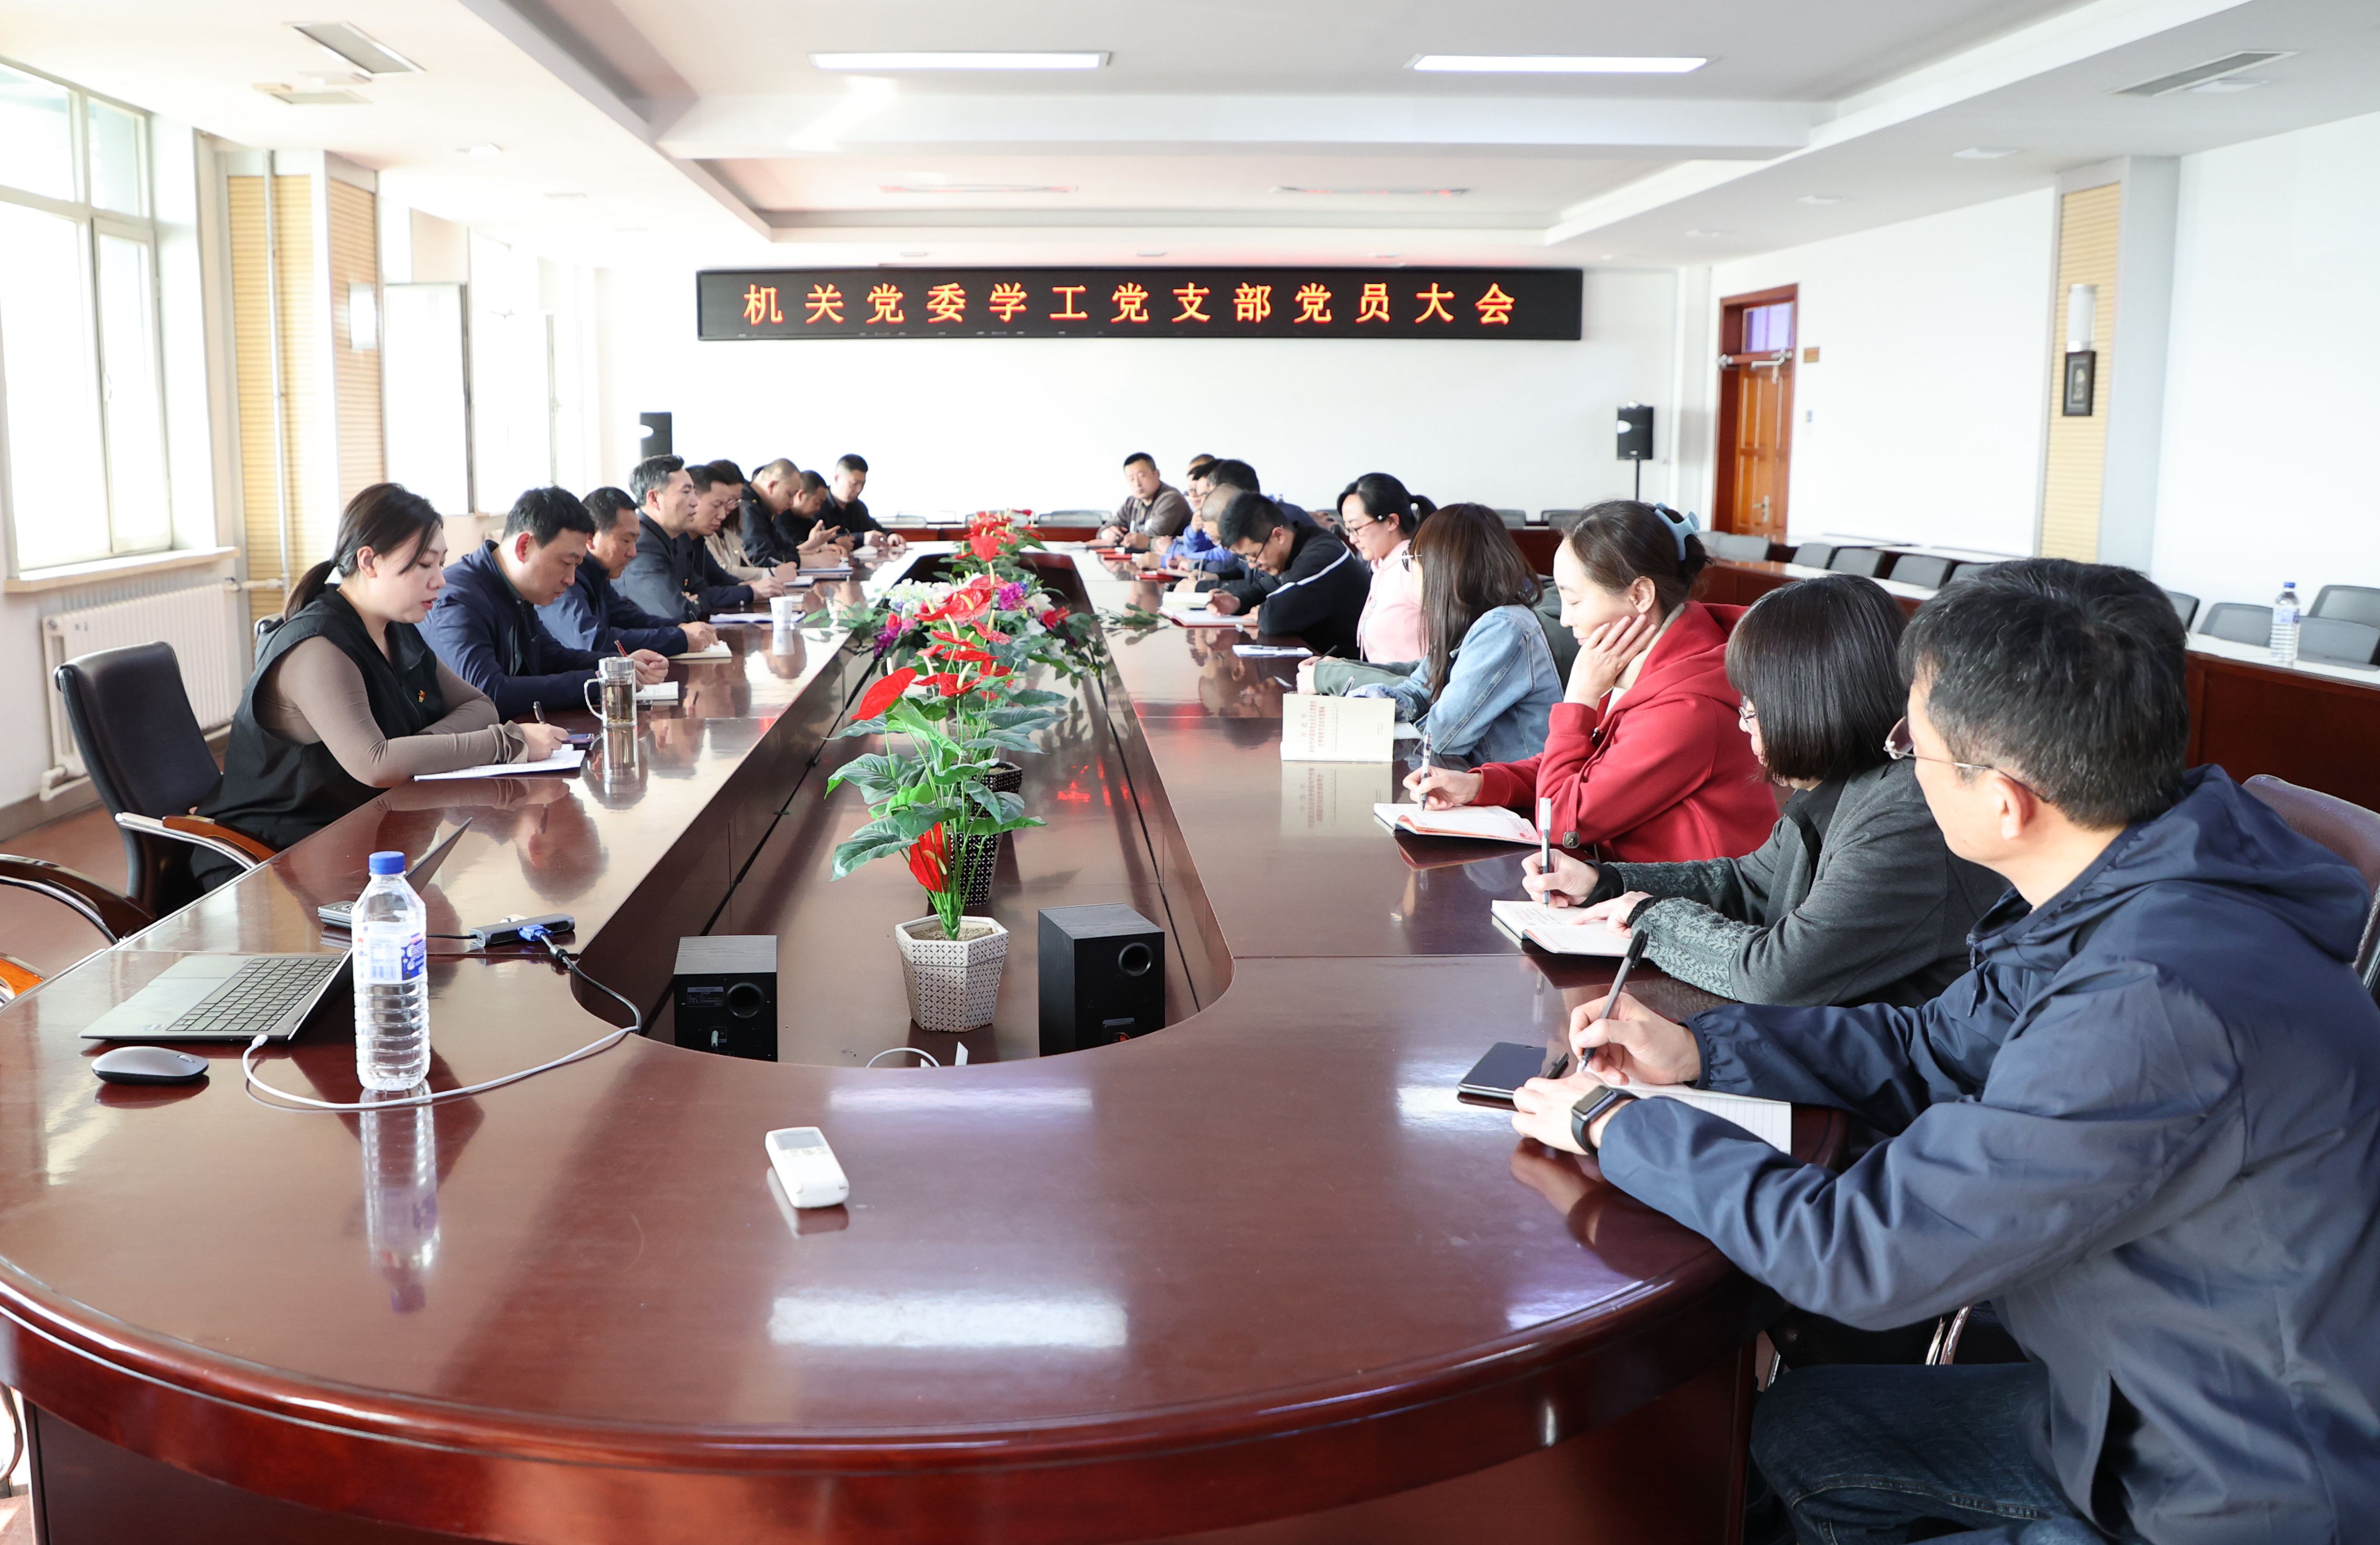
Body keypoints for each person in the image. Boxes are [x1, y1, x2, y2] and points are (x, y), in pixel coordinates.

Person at [1511, 558, 2380, 1544]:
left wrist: (1619, 1127)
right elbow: (1933, 1044)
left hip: (2218, 1487)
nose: (1902, 769)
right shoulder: (2132, 876)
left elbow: (1863, 1252)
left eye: (1910, 747)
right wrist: (1700, 1052)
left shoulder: (2156, 1001)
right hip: (2125, 1396)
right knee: (1802, 1433)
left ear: (2005, 800)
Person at [1521, 573, 2002, 1006]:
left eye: (1751, 705)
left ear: (1806, 702)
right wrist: (1605, 884)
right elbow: (1747, 883)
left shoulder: (1904, 816)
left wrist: (1650, 916)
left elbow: (1776, 977)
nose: (1743, 722)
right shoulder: (1843, 785)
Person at [194, 483, 568, 881]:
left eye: (441, 564)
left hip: (362, 834)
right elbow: (376, 765)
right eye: (425, 565)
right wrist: (509, 743)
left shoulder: (396, 628)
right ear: (369, 561)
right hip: (275, 862)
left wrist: (414, 750)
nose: (440, 581)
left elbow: (480, 706)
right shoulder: (318, 646)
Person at [1403, 500, 1773, 863]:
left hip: (1686, 899)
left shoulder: (1688, 707)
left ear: (1640, 595)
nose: (1565, 619)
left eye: (1575, 601)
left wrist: (1580, 698)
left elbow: (1564, 820)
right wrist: (1480, 785)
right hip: (1629, 883)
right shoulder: (1650, 656)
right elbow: (1590, 768)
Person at [1343, 502, 1559, 766]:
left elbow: (1442, 737)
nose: (1411, 570)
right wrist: (1377, 701)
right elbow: (1419, 690)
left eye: (1412, 560)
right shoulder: (1468, 621)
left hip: (1515, 789)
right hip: (1472, 779)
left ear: (1440, 565)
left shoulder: (1503, 629)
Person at [424, 485, 668, 717]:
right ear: (524, 546)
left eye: (577, 566)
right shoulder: (460, 599)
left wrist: (618, 666)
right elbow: (489, 693)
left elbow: (551, 657)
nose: (571, 579)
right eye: (566, 563)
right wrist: (600, 681)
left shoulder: (516, 589)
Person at [540, 487, 719, 659]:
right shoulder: (567, 578)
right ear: (591, 538)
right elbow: (593, 642)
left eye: (635, 541)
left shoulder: (598, 574)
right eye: (626, 540)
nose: (633, 553)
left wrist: (681, 628)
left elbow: (630, 619)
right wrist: (680, 639)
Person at [1305, 472, 1431, 692]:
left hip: (1413, 697)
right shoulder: (1382, 566)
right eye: (1348, 529)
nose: (1352, 539)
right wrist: (1343, 667)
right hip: (1387, 693)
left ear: (1391, 521)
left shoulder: (1412, 567)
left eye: (1357, 528)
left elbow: (1441, 658)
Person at [618, 454, 782, 622]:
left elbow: (703, 588)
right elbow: (679, 613)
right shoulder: (642, 545)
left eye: (694, 492)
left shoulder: (675, 539)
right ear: (654, 499)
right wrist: (690, 602)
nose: (695, 502)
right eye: (686, 492)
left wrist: (693, 600)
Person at [1207, 489, 1370, 658]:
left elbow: (1274, 618)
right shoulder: (1292, 549)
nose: (1252, 565)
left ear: (1278, 536)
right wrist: (1237, 602)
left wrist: (1262, 613)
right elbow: (1265, 587)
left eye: (1254, 555)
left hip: (1353, 666)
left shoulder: (1323, 554)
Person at [691, 461, 800, 586]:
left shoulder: (728, 528)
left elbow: (730, 574)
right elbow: (724, 572)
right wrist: (771, 574)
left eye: (736, 501)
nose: (731, 507)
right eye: (728, 500)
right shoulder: (701, 534)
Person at [742, 459, 853, 567]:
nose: (791, 503)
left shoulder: (761, 508)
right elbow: (762, 559)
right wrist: (812, 561)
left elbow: (783, 549)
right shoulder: (746, 507)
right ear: (772, 486)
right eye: (790, 495)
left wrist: (818, 551)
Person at [1099, 452, 1191, 551]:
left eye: (1142, 476)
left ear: (1156, 474)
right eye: (1131, 479)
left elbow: (1148, 540)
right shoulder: (1131, 503)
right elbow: (1104, 529)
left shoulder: (1171, 499)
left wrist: (1121, 539)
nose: (1137, 483)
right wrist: (1108, 534)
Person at [823, 453, 884, 536]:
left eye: (863, 484)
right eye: (854, 484)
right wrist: (862, 538)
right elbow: (820, 539)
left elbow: (873, 526)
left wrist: (890, 535)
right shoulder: (818, 505)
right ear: (837, 479)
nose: (859, 490)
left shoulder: (858, 506)